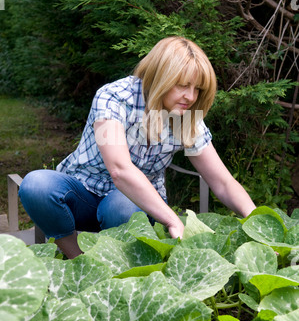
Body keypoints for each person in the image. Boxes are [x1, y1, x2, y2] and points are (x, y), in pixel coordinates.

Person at [19, 36, 256, 258]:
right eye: (183, 85)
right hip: (83, 195)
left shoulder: (186, 116)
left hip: (132, 206)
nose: (191, 96)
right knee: (36, 185)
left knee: (122, 205)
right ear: (161, 76)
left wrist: (258, 226)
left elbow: (223, 183)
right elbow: (120, 170)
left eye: (198, 89)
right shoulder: (113, 98)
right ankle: (77, 259)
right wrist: (174, 220)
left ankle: (118, 264)